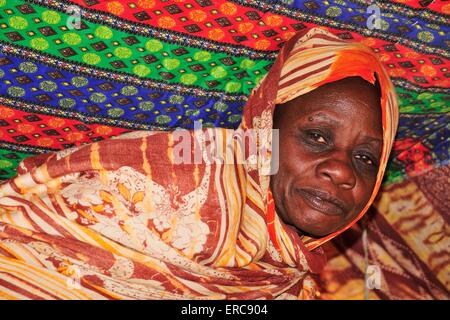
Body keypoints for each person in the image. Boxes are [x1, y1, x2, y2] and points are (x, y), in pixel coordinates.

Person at [0, 27, 398, 299]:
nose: (343, 171)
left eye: (366, 158)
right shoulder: (179, 181)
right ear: (263, 130)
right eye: (317, 136)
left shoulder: (290, 278)